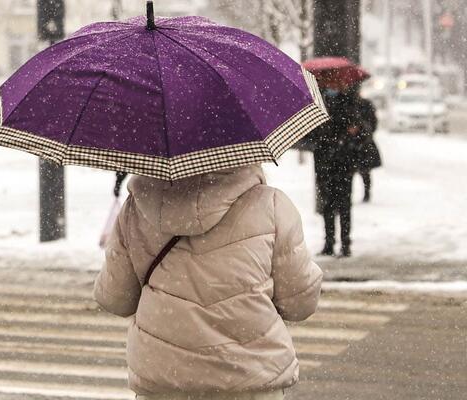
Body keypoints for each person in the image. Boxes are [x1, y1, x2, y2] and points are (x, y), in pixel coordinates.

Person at [94, 165, 322, 399]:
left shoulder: (136, 209)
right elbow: (300, 303)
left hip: (166, 377)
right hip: (249, 377)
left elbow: (115, 299)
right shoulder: (270, 205)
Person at [314, 87, 363, 257]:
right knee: (328, 206)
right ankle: (329, 243)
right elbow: (315, 137)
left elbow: (360, 134)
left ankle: (345, 243)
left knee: (343, 206)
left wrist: (350, 136)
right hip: (326, 165)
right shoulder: (318, 103)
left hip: (343, 165)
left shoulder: (349, 104)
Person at [353, 93, 381, 203]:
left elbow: (373, 123)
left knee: (364, 171)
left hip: (363, 142)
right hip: (361, 142)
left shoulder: (364, 105)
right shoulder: (363, 104)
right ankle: (366, 193)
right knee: (364, 171)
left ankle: (366, 193)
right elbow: (373, 123)